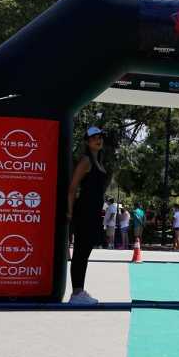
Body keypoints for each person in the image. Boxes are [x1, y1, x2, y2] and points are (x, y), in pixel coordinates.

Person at [66, 126, 108, 305]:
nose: (98, 140)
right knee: (81, 252)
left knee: (86, 252)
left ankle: (79, 290)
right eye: (93, 138)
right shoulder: (86, 160)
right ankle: (76, 293)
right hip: (83, 211)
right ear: (87, 142)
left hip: (93, 212)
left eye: (100, 137)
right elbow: (72, 188)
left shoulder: (99, 161)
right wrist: (69, 211)